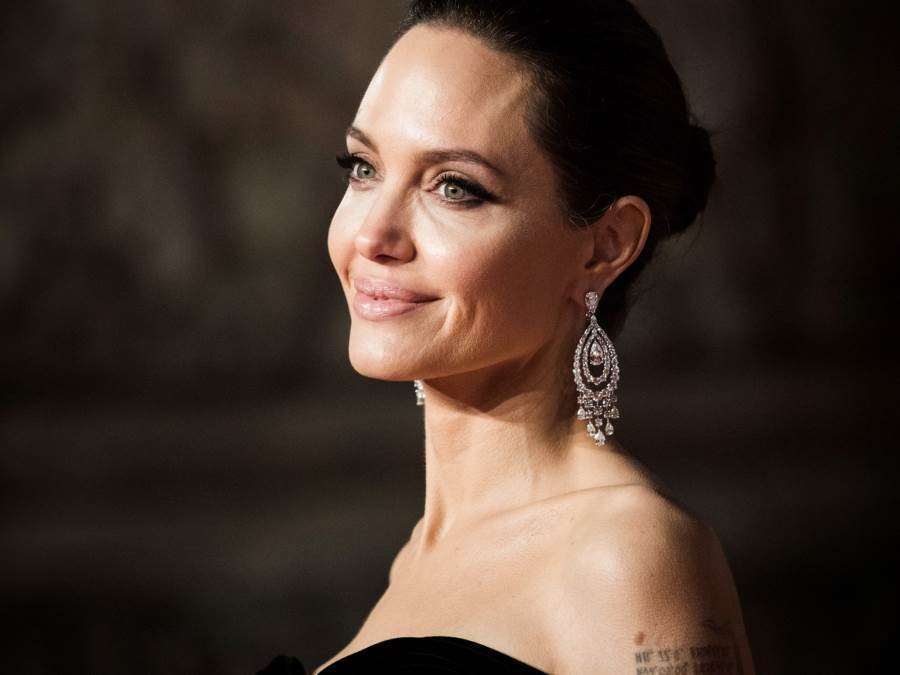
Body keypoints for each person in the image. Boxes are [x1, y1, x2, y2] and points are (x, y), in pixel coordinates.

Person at [262, 1, 756, 673]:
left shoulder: (629, 555)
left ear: (606, 245)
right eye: (364, 167)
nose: (372, 235)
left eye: (454, 188)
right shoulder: (418, 555)